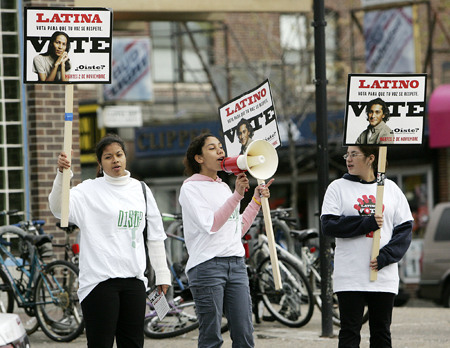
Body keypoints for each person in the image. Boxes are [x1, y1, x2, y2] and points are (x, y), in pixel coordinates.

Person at [48, 133, 171, 348]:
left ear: (125, 157)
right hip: (99, 283)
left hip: (134, 281)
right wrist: (62, 175)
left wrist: (162, 274)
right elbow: (59, 209)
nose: (115, 160)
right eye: (108, 157)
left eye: (119, 154)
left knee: (133, 344)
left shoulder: (141, 190)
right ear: (100, 163)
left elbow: (155, 236)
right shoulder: (89, 191)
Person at [179, 133, 274, 348]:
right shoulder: (190, 188)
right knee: (212, 336)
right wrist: (237, 195)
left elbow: (235, 229)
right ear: (199, 158)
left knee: (244, 334)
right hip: (207, 266)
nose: (220, 151)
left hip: (236, 264)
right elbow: (211, 224)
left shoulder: (223, 186)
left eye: (220, 146)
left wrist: (256, 200)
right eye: (212, 148)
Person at [321, 145, 413, 348]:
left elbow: (405, 229)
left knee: (381, 332)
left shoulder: (390, 189)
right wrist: (366, 223)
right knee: (350, 332)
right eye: (348, 154)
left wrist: (385, 257)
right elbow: (328, 225)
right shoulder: (337, 187)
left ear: (371, 158)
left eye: (354, 154)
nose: (348, 159)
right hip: (350, 274)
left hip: (383, 274)